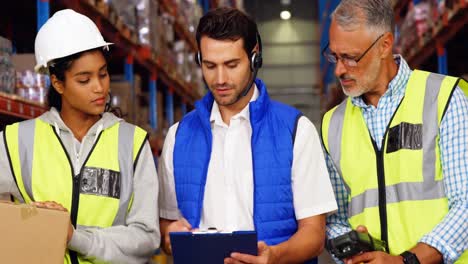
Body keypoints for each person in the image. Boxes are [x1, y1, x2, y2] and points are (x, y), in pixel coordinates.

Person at [158, 7, 337, 264]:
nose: (220, 78)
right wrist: (168, 235)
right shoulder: (178, 137)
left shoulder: (296, 130)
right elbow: (167, 224)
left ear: (255, 59)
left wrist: (274, 257)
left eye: (231, 65)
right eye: (210, 66)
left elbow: (315, 235)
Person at [0, 9, 159, 263]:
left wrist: (75, 237)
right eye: (84, 80)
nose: (99, 87)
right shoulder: (16, 140)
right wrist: (31, 217)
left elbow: (146, 237)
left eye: (103, 74)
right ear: (58, 83)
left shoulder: (133, 143)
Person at [320, 0, 468, 263]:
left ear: (384, 45)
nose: (339, 69)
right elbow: (334, 218)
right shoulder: (333, 123)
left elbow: (465, 205)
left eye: (350, 57)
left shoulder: (444, 98)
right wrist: (353, 250)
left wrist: (408, 260)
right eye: (334, 56)